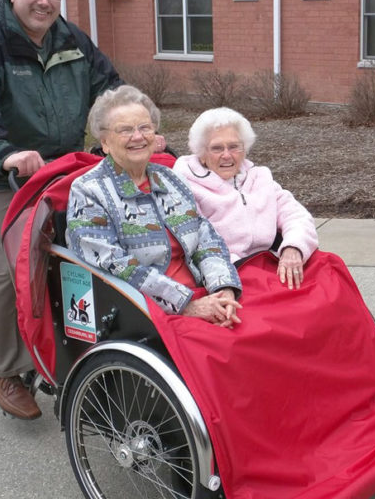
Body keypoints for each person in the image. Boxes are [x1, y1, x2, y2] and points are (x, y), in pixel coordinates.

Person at [0, 0, 122, 420]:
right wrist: (5, 154)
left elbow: (111, 91)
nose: (44, 2)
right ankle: (2, 370)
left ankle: (76, 350)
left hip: (57, 170)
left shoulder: (71, 38)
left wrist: (135, 125)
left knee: (94, 248)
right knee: (11, 262)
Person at [66, 86, 242, 326]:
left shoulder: (170, 179)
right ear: (105, 142)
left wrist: (223, 291)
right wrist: (187, 305)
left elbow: (205, 238)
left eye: (144, 127)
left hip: (204, 293)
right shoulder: (88, 191)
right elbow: (116, 264)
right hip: (147, 311)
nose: (138, 136)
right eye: (125, 130)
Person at [172, 107, 318, 289]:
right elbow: (197, 244)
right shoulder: (186, 186)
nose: (227, 155)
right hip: (229, 270)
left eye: (234, 147)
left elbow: (296, 215)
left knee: (330, 270)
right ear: (202, 154)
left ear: (245, 149)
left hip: (272, 259)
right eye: (217, 148)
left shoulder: (260, 177)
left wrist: (293, 247)